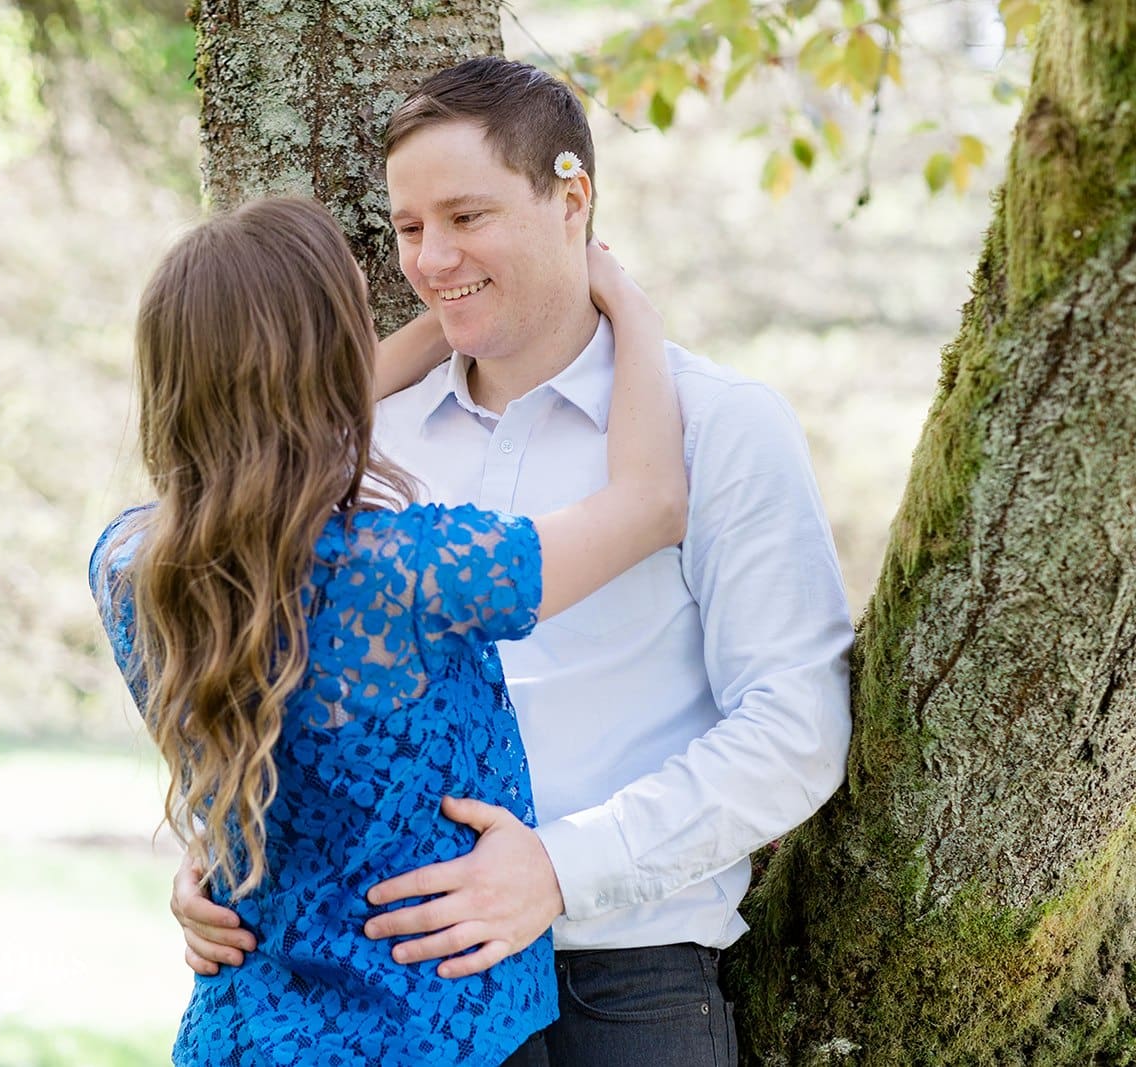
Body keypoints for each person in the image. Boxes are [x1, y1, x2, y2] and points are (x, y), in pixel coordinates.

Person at [171, 57, 855, 1065]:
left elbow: (794, 727)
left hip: (618, 976)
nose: (432, 257)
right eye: (408, 228)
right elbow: (275, 671)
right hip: (383, 976)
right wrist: (227, 849)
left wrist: (562, 868)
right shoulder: (356, 440)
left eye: (467, 216)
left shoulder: (717, 425)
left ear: (570, 198)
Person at [89, 195, 686, 1065]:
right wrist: (629, 305)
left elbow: (280, 417)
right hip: (439, 1037)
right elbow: (651, 503)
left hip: (241, 1033)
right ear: (333, 362)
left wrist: (457, 316)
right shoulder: (414, 567)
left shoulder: (128, 563)